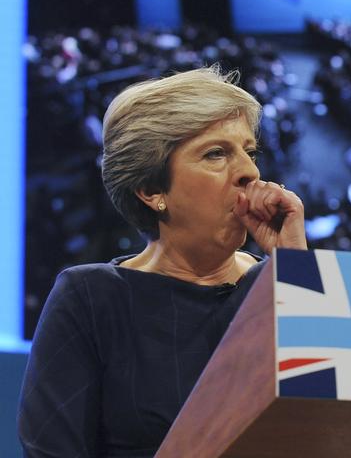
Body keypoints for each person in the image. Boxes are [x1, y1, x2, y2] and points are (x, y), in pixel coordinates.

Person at [17, 66, 307, 457]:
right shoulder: (90, 300)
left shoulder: (280, 286)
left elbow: (331, 428)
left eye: (249, 152)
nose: (250, 172)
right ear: (152, 189)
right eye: (216, 153)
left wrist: (295, 268)